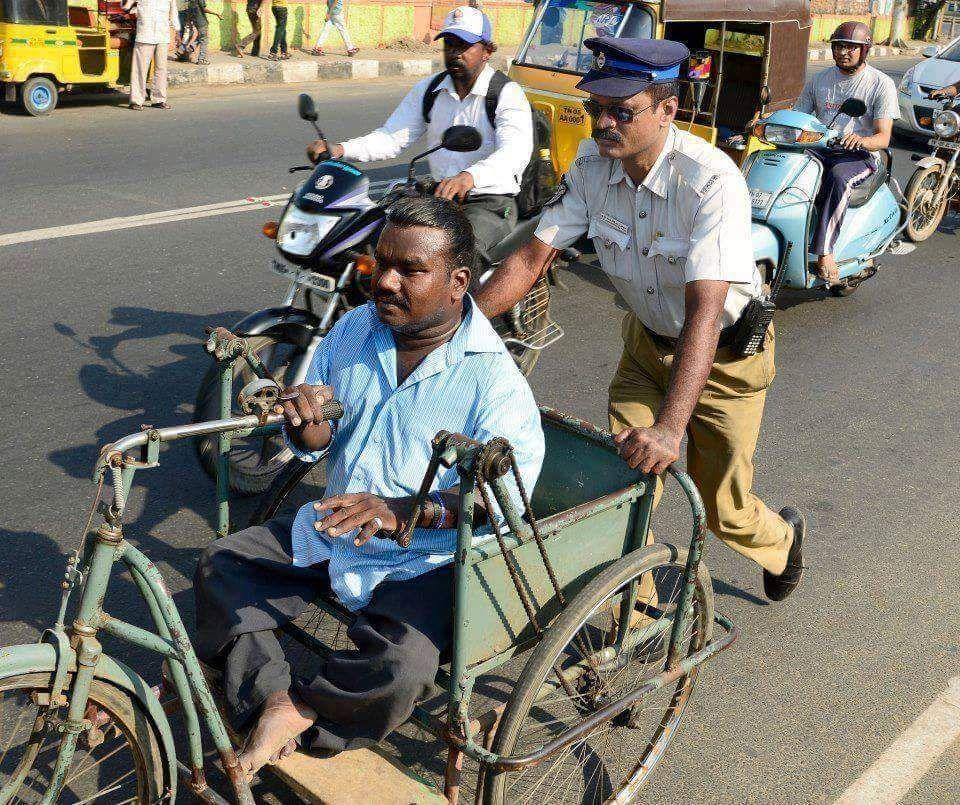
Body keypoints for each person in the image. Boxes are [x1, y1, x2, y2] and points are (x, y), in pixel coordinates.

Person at [193, 197, 544, 779]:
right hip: (336, 526)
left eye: (410, 270)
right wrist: (305, 420)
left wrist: (404, 511)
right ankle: (272, 701)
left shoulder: (493, 380)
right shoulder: (355, 329)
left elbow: (504, 502)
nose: (384, 281)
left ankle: (311, 710)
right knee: (222, 566)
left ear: (458, 282)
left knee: (401, 667)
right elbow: (318, 437)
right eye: (382, 263)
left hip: (426, 559)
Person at [475, 37, 806, 604]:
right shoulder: (592, 164)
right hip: (646, 351)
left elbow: (705, 311)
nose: (603, 123)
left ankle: (784, 541)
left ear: (667, 109)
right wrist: (456, 325)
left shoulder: (710, 179)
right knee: (620, 482)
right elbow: (531, 258)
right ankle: (639, 611)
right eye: (596, 107)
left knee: (722, 508)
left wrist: (672, 428)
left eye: (622, 112)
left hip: (725, 359)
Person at [306, 5, 534, 259]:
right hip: (439, 197)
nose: (455, 53)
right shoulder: (430, 90)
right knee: (374, 239)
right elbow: (392, 137)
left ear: (487, 51)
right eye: (450, 45)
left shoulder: (506, 93)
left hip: (489, 202)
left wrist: (469, 177)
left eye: (464, 46)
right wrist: (341, 149)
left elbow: (514, 152)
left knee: (456, 256)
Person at [793, 22, 899, 286]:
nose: (843, 52)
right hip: (822, 148)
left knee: (839, 177)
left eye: (851, 47)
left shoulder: (880, 84)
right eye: (839, 46)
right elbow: (798, 116)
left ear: (865, 50)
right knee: (789, 166)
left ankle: (825, 252)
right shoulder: (820, 80)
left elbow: (883, 137)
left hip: (859, 155)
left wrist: (861, 140)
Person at [124, 0, 180, 110]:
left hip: (163, 35)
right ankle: (136, 101)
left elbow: (174, 13)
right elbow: (126, 6)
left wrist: (176, 34)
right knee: (140, 69)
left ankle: (159, 100)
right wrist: (134, 11)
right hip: (145, 35)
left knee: (161, 69)